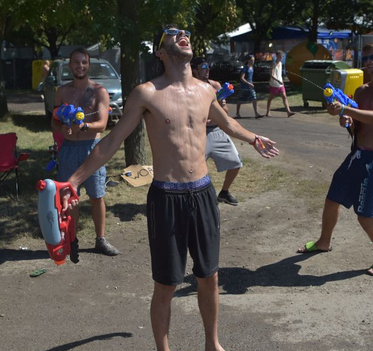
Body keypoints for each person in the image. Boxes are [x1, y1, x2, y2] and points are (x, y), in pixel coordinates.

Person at [60, 25, 279, 351]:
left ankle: (212, 343)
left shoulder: (206, 90)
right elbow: (112, 141)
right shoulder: (147, 93)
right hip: (167, 197)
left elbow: (227, 123)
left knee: (209, 277)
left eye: (186, 32)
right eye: (173, 33)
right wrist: (74, 181)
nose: (183, 34)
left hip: (203, 192)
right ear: (160, 52)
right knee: (166, 285)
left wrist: (254, 138)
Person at [296, 42, 373, 276]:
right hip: (357, 154)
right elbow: (357, 124)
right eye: (364, 57)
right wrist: (344, 119)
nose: (368, 61)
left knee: (365, 216)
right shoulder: (362, 90)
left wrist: (346, 108)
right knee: (332, 199)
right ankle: (324, 242)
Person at [50, 47, 119, 256]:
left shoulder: (99, 92)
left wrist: (85, 127)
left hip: (92, 149)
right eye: (76, 62)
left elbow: (103, 124)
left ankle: (101, 239)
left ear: (89, 65)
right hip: (69, 149)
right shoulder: (62, 92)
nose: (80, 66)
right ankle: (71, 239)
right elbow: (53, 120)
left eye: (84, 62)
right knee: (69, 197)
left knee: (97, 196)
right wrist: (61, 127)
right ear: (69, 65)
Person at [191, 56, 243, 206]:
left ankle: (224, 193)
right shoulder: (190, 88)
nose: (207, 70)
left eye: (208, 67)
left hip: (216, 130)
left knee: (235, 162)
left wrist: (219, 105)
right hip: (198, 132)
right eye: (203, 67)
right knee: (194, 169)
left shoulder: (215, 85)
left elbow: (225, 111)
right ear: (194, 70)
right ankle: (194, 198)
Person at [265, 50, 294, 117]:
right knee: (270, 98)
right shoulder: (273, 64)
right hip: (274, 84)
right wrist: (278, 81)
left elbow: (279, 74)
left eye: (282, 56)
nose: (282, 57)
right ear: (277, 56)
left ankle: (288, 112)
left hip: (280, 84)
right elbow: (271, 75)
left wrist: (281, 81)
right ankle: (267, 112)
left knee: (284, 97)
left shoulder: (280, 63)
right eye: (281, 56)